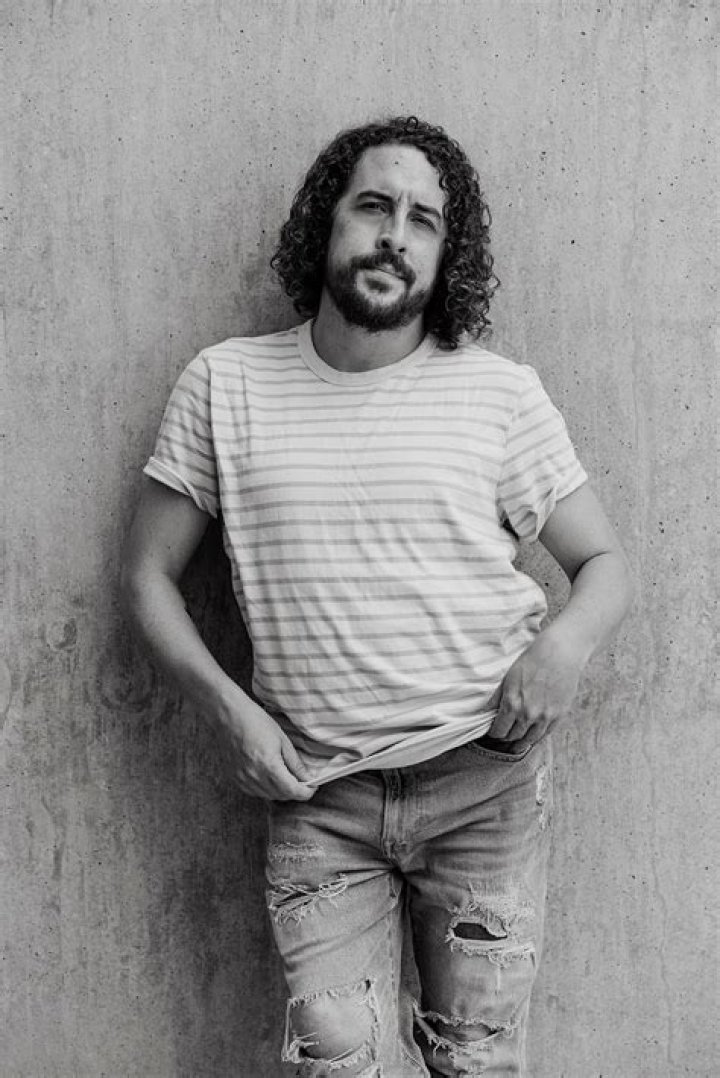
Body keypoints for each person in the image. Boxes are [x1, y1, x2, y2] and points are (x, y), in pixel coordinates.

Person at [121, 116, 633, 1076]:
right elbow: (147, 577)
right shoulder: (226, 384)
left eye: (423, 220)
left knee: (475, 1062)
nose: (395, 235)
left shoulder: (498, 394)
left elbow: (604, 562)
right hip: (318, 796)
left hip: (484, 784)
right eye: (373, 206)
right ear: (327, 221)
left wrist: (561, 650)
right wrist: (227, 712)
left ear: (447, 253)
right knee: (336, 1062)